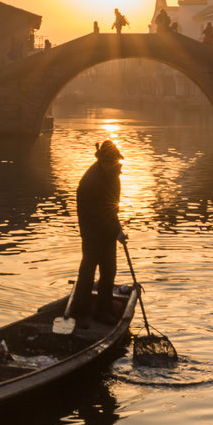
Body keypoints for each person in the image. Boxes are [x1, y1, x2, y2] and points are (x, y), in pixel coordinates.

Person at [69, 139, 127, 325]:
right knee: (88, 270)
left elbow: (112, 208)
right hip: (91, 231)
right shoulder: (91, 182)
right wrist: (116, 231)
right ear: (102, 162)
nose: (112, 165)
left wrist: (117, 230)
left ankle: (103, 310)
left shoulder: (113, 175)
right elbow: (98, 212)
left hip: (107, 231)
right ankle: (79, 311)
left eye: (114, 162)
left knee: (109, 270)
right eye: (108, 162)